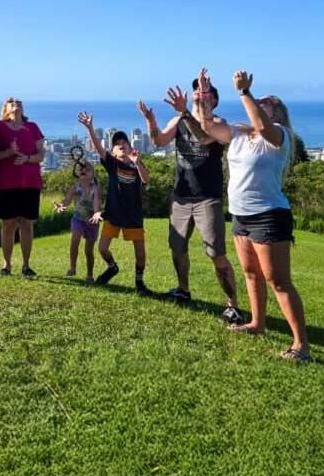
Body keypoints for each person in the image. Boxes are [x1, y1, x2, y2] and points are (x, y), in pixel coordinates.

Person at [193, 68, 311, 363]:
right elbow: (206, 125)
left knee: (278, 280)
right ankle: (257, 324)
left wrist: (245, 92)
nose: (259, 104)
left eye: (266, 103)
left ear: (277, 115)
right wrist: (204, 95)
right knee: (250, 273)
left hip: (269, 215)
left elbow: (261, 123)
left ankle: (301, 345)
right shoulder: (239, 134)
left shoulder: (279, 137)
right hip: (240, 215)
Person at [139, 81, 245, 325]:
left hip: (208, 197)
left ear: (214, 101)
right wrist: (151, 121)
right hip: (181, 196)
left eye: (205, 92)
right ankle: (183, 290)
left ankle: (233, 306)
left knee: (216, 253)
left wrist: (185, 113)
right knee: (177, 247)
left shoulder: (218, 124)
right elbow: (158, 141)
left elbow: (204, 138)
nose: (200, 94)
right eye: (197, 91)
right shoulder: (178, 122)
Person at [76, 111, 150, 292]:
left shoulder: (136, 166)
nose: (121, 145)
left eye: (124, 142)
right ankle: (112, 267)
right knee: (102, 249)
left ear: (131, 147)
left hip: (133, 215)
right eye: (117, 145)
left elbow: (146, 180)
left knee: (140, 253)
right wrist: (90, 128)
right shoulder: (112, 165)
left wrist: (138, 162)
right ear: (113, 153)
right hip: (113, 213)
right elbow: (98, 147)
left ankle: (139, 282)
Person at [0, 97, 45, 277]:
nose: (16, 104)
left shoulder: (32, 127)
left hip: (30, 182)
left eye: (19, 102)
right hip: (5, 183)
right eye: (11, 102)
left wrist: (27, 158)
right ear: (5, 109)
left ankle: (26, 265)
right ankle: (6, 264)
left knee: (27, 224)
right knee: (7, 224)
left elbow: (41, 154)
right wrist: (10, 152)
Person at [53, 161, 101, 281]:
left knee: (88, 251)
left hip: (92, 221)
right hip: (78, 218)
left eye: (88, 169)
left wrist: (96, 213)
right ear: (77, 172)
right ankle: (72, 267)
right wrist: (61, 205)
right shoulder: (76, 186)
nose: (84, 170)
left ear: (93, 174)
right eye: (81, 169)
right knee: (75, 240)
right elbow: (67, 199)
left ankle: (89, 274)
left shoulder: (95, 187)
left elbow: (97, 201)